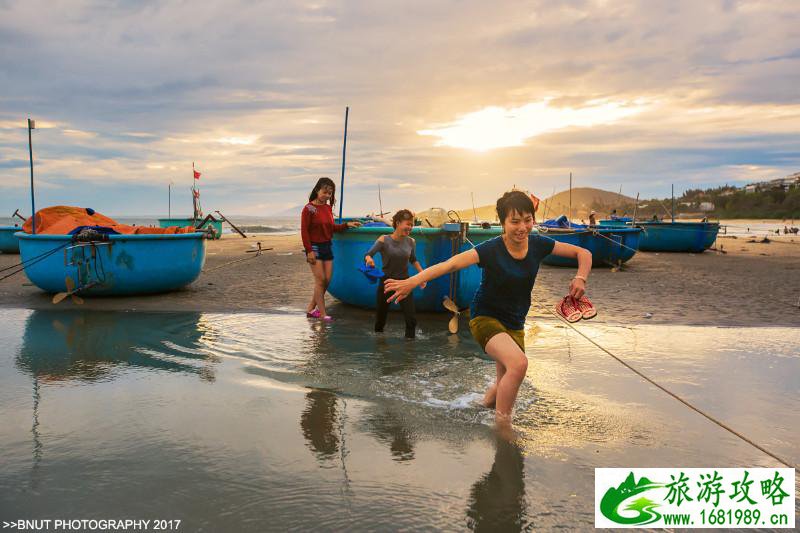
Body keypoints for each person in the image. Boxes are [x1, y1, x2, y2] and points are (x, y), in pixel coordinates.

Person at [385, 191, 592, 426]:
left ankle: (477, 408)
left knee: (505, 379)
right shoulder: (490, 249)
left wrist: (580, 278)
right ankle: (503, 426)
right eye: (514, 221)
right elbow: (450, 264)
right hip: (485, 318)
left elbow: (582, 253)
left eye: (527, 220)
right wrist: (412, 281)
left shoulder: (539, 244)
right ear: (502, 223)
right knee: (519, 364)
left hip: (515, 323)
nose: (522, 227)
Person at [301, 177, 360, 321]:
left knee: (327, 280)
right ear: (317, 190)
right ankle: (322, 314)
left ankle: (310, 309)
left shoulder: (327, 208)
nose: (327, 196)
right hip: (314, 247)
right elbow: (304, 231)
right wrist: (309, 251)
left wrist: (346, 225)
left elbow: (331, 228)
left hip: (327, 246)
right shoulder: (308, 208)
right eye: (324, 192)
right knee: (320, 280)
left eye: (329, 194)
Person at [364, 209, 426, 338]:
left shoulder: (411, 242)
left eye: (411, 225)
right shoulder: (384, 239)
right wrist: (369, 260)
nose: (409, 227)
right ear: (397, 223)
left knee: (411, 320)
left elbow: (413, 259)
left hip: (405, 283)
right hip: (387, 282)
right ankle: (380, 348)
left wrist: (423, 276)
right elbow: (369, 254)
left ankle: (409, 352)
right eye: (407, 224)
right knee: (380, 320)